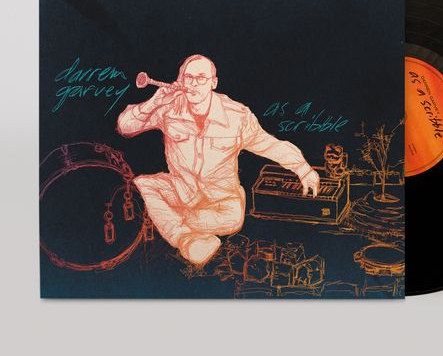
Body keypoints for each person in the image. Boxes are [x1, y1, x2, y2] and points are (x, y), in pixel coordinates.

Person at [116, 54, 320, 266]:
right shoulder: (168, 107)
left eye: (201, 78)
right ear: (180, 81)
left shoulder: (237, 115)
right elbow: (125, 126)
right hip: (183, 192)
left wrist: (303, 168)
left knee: (226, 219)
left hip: (221, 203)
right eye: (188, 78)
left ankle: (181, 230)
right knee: (142, 184)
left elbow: (269, 144)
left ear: (213, 83)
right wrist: (153, 103)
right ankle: (188, 240)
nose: (193, 84)